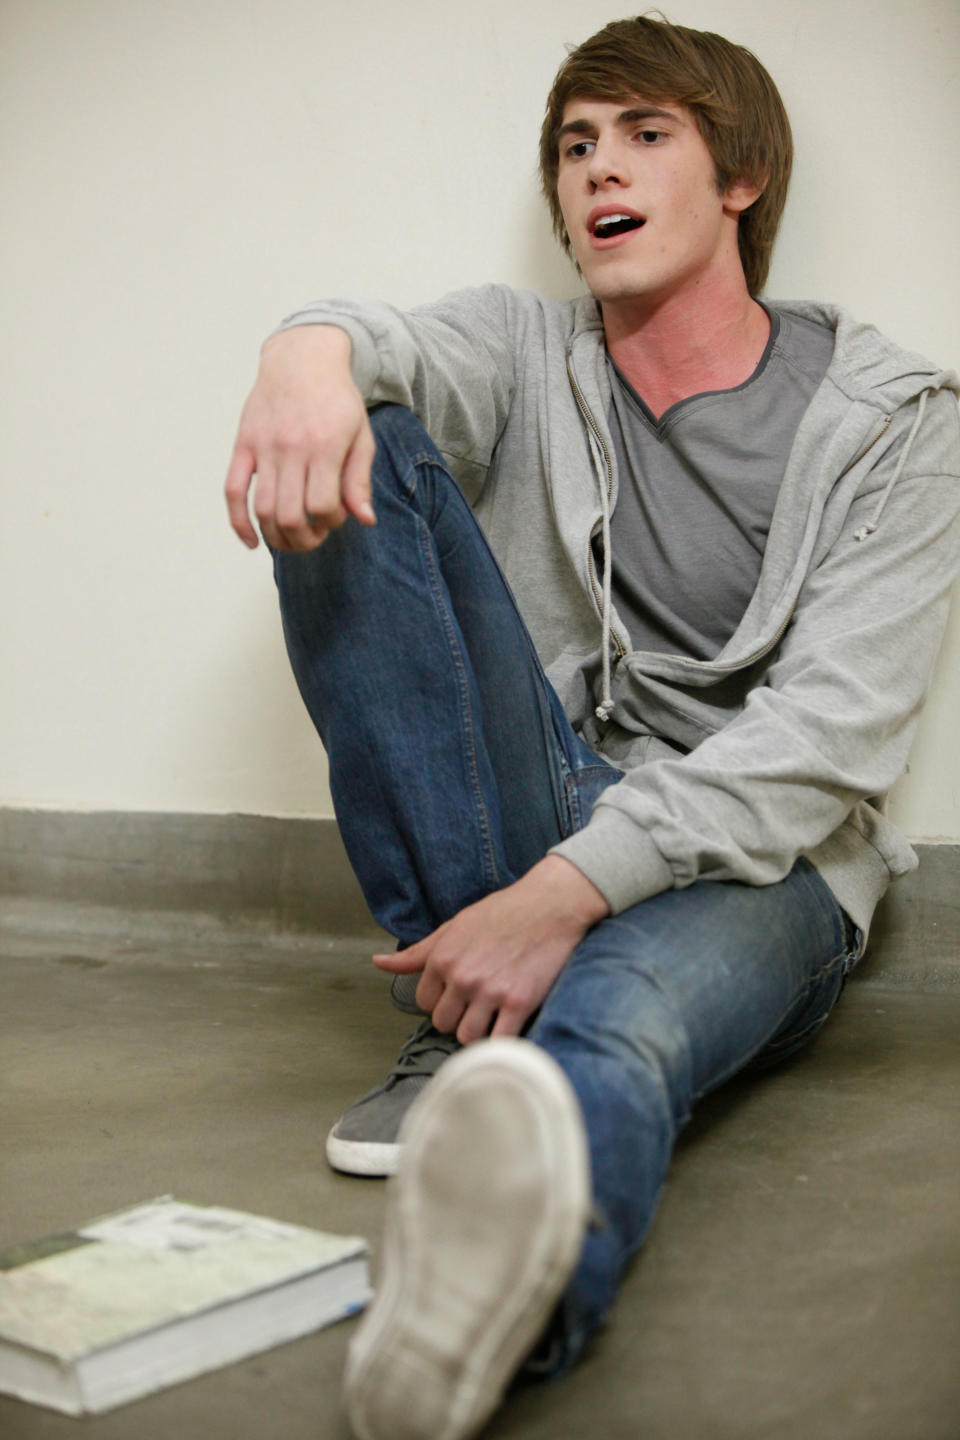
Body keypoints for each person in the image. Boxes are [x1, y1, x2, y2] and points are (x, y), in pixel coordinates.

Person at [224, 15, 960, 1440]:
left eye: (643, 134)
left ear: (738, 175)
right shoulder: (524, 349)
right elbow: (388, 345)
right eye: (574, 144)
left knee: (619, 1027)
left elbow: (829, 742)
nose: (595, 170)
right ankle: (475, 1012)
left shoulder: (899, 422)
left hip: (762, 870)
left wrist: (570, 892)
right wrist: (303, 351)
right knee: (361, 433)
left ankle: (493, 1313)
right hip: (537, 800)